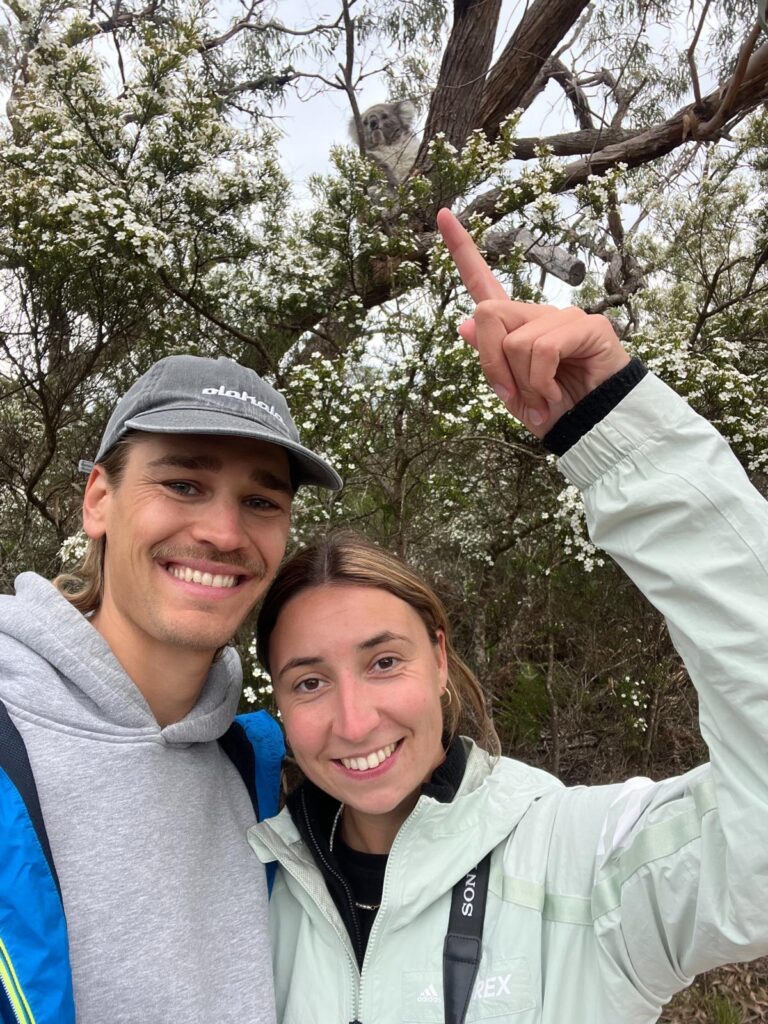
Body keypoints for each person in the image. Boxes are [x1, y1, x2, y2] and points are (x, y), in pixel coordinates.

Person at [247, 209, 768, 1024]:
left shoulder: (584, 867)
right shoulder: (251, 892)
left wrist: (620, 433)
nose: (354, 720)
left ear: (440, 658)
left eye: (384, 661)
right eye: (308, 681)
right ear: (276, 701)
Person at [0, 353, 341, 1024]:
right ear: (99, 500)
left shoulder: (272, 774)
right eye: (184, 485)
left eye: (261, 501)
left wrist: (572, 430)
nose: (223, 533)